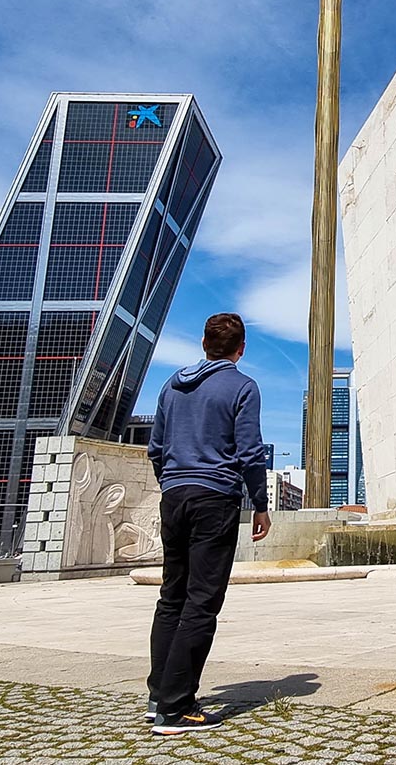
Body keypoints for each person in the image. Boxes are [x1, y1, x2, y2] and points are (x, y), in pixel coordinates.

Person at [145, 313, 271, 735]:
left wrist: (173, 482)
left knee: (171, 597)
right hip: (214, 499)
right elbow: (250, 452)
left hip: (174, 497)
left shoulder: (170, 386)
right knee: (201, 601)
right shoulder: (242, 387)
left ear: (203, 342)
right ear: (241, 348)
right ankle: (176, 708)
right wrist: (260, 503)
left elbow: (156, 448)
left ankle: (159, 694)